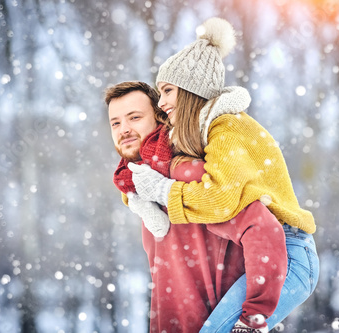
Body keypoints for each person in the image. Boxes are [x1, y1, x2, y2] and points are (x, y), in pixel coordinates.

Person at [128, 17, 319, 332]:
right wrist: (134, 188)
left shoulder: (227, 127)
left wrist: (162, 192)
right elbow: (156, 159)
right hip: (262, 255)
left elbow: (219, 197)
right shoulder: (202, 132)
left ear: (190, 90)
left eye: (168, 91)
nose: (161, 103)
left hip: (289, 254)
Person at [106, 81, 288, 333]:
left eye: (134, 118)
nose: (124, 129)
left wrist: (253, 317)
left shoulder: (188, 173)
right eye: (115, 123)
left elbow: (265, 231)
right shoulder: (141, 186)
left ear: (161, 118)